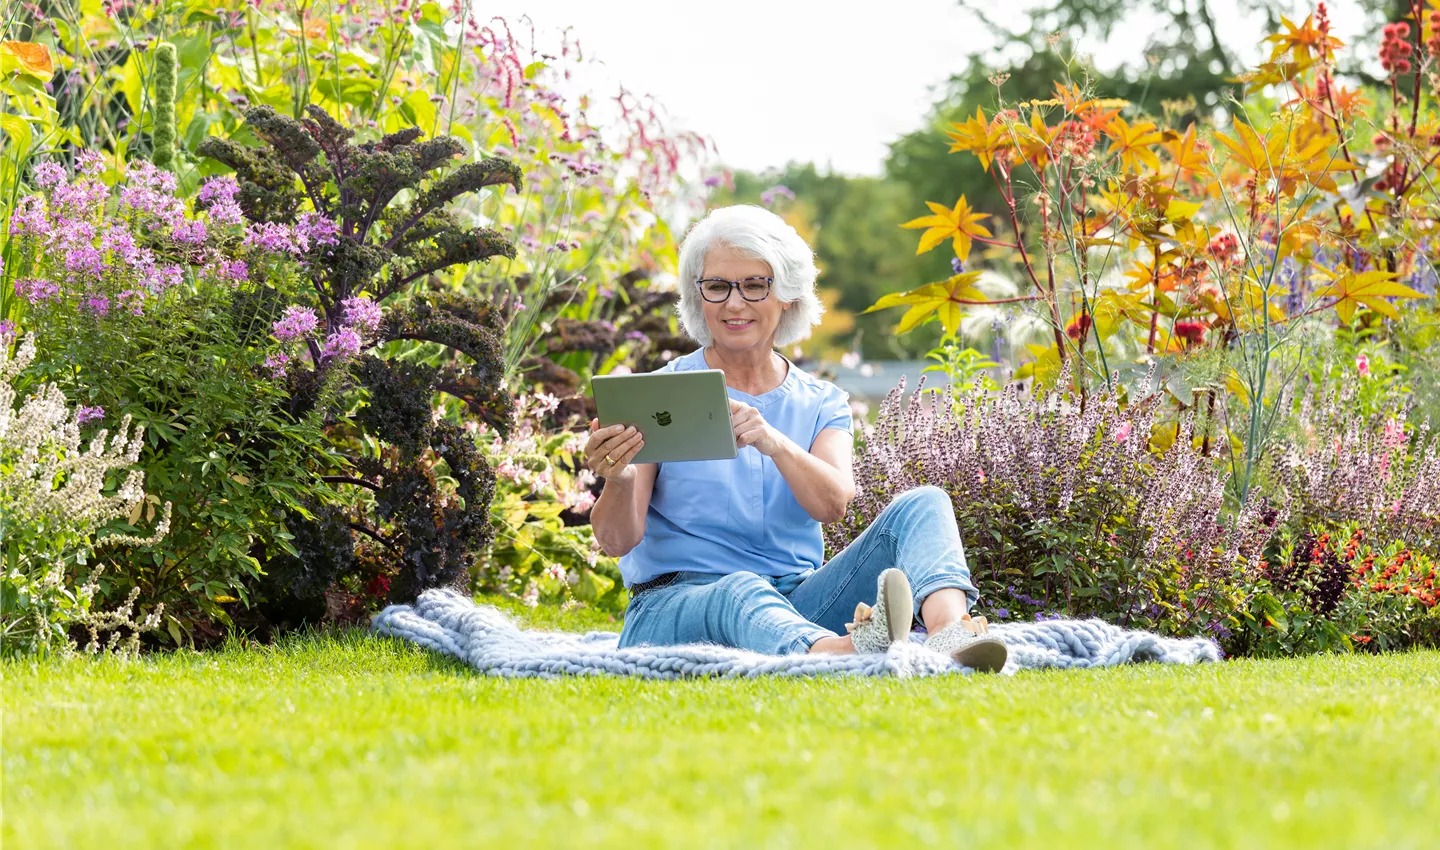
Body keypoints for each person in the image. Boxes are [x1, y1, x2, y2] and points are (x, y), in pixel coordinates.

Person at [584, 205, 1006, 671]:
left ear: (786, 294)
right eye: (718, 286)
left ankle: (949, 632)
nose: (734, 303)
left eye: (754, 285)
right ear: (698, 296)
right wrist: (619, 480)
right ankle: (837, 655)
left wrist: (774, 442)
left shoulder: (822, 401)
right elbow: (616, 541)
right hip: (673, 608)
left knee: (925, 502)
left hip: (794, 603)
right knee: (739, 588)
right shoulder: (658, 395)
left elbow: (832, 504)